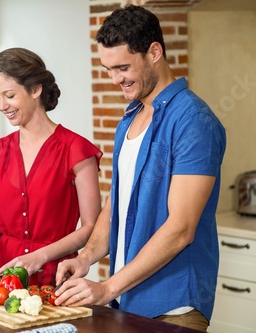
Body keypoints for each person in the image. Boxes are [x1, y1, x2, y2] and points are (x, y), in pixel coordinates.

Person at [54, 5, 226, 333]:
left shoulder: (194, 122)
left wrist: (106, 288)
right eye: (108, 69)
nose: (115, 79)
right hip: (128, 300)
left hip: (174, 306)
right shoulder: (130, 118)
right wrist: (86, 257)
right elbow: (117, 204)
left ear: (154, 52)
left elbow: (181, 228)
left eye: (122, 67)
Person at [0, 47, 102, 286]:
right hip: (4, 280)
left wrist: (41, 256)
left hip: (56, 276)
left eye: (9, 95)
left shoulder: (75, 149)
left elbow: (91, 228)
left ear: (35, 90)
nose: (2, 105)